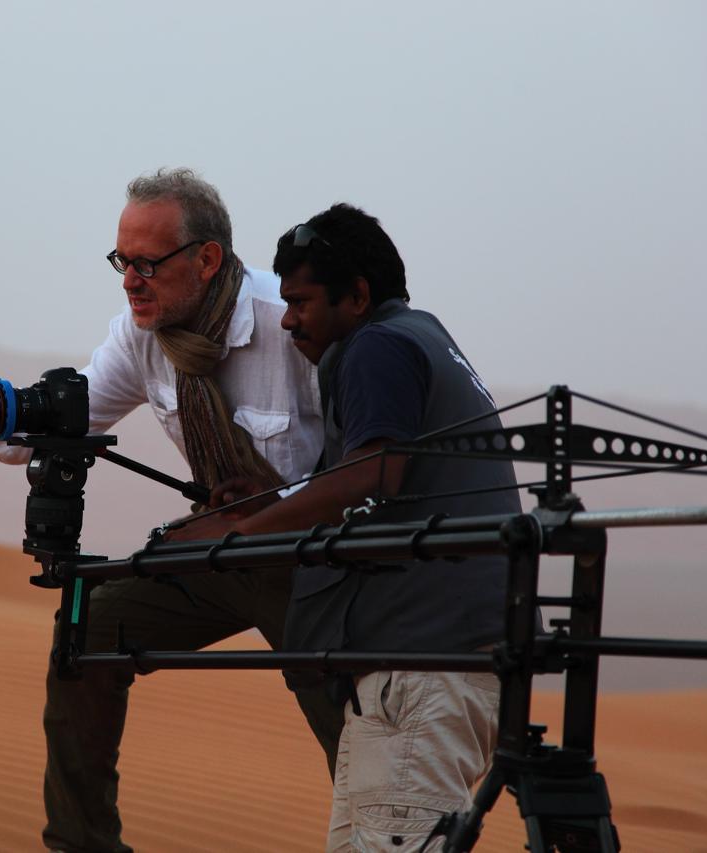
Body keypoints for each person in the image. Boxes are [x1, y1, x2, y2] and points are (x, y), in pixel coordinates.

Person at [0, 169, 345, 853]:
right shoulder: (143, 336)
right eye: (120, 262)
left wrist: (274, 522)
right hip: (220, 554)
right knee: (89, 625)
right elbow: (68, 417)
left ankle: (388, 828)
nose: (130, 280)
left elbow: (363, 462)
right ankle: (82, 842)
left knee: (348, 715)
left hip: (312, 559)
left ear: (207, 258)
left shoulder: (291, 325)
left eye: (146, 264)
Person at [175, 203, 519, 852]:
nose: (290, 320)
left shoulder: (378, 346)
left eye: (301, 301)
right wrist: (273, 501)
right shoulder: (418, 335)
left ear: (357, 295)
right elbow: (381, 480)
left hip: (421, 674)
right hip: (418, 674)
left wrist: (243, 536)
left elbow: (374, 473)